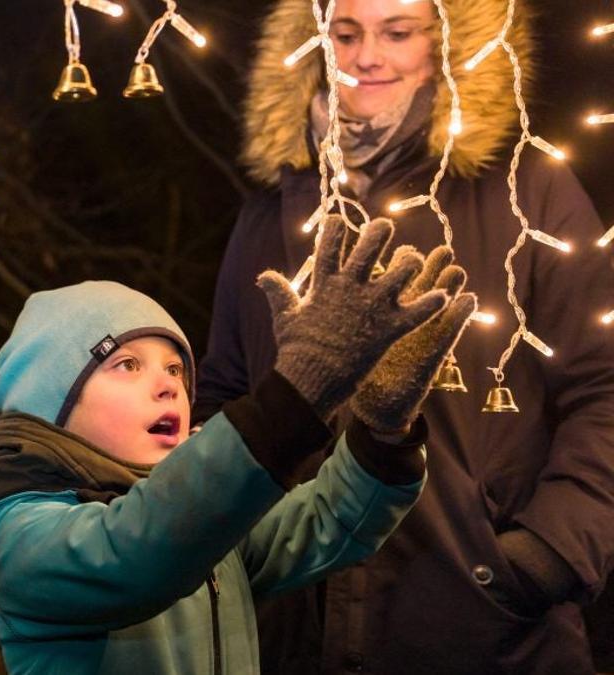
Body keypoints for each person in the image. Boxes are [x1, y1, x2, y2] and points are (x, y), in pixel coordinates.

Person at [195, 0, 614, 672]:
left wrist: (547, 553)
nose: (367, 57)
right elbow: (222, 390)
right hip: (291, 630)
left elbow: (604, 387)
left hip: (489, 633)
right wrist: (226, 542)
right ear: (313, 43)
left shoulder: (528, 188)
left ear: (446, 43)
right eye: (346, 33)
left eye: (398, 32)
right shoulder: (273, 209)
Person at [0, 216, 476, 674]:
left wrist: (383, 431)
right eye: (126, 365)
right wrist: (295, 395)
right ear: (54, 404)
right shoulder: (18, 532)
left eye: (176, 369)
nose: (168, 386)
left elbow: (324, 521)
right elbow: (135, 551)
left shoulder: (203, 521)